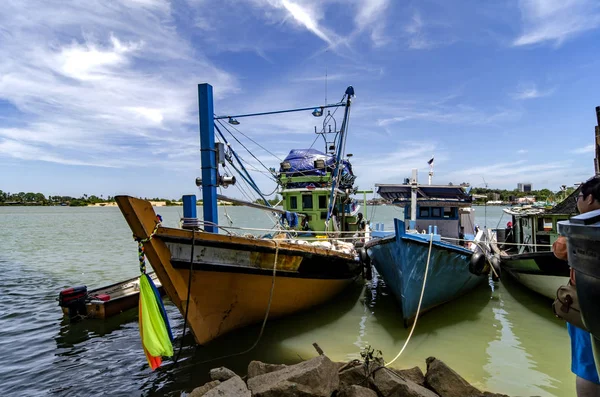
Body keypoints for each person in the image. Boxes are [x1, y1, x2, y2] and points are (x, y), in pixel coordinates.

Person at [553, 177, 600, 396]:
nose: (578, 201)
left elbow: (559, 250)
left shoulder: (581, 225)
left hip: (588, 304)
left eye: (580, 197)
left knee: (587, 367)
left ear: (590, 198)